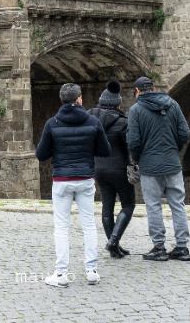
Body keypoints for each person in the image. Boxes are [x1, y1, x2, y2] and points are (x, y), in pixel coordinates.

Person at [34, 82, 111, 288]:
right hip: (85, 178)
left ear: (62, 100)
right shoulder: (93, 121)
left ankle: (60, 274)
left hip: (62, 180)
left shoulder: (53, 123)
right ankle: (92, 270)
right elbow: (105, 150)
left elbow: (41, 154)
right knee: (88, 224)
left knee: (61, 227)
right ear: (79, 99)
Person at [126, 76, 190, 263]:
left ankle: (159, 247)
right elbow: (184, 133)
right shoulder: (173, 105)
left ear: (137, 91)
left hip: (149, 166)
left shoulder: (136, 110)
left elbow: (133, 141)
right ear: (153, 88)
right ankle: (182, 247)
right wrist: (173, 149)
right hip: (172, 163)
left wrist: (138, 159)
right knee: (178, 204)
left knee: (153, 206)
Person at [91, 80, 135, 258]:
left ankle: (114, 248)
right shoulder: (123, 122)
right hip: (118, 169)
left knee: (107, 207)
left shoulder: (91, 120)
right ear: (117, 103)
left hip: (99, 168)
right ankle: (113, 241)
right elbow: (129, 145)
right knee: (129, 205)